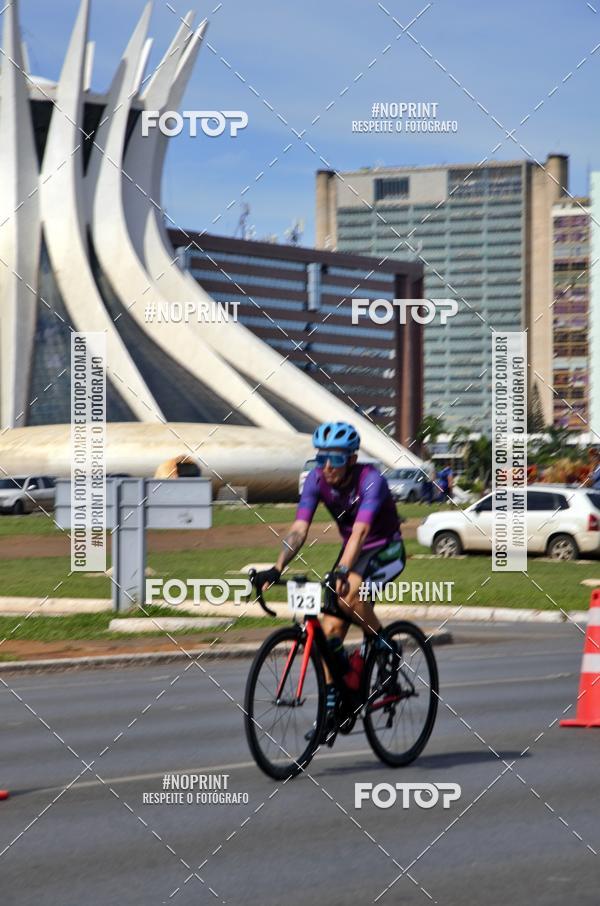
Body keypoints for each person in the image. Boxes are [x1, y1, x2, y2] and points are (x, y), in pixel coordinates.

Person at [254, 421, 405, 744]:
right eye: (321, 457)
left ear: (351, 459)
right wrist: (277, 567)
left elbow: (362, 532)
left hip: (385, 549)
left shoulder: (371, 481)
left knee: (349, 593)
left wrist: (344, 570)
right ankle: (334, 708)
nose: (326, 466)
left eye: (335, 459)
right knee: (326, 631)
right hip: (353, 552)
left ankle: (385, 644)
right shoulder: (315, 480)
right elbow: (298, 530)